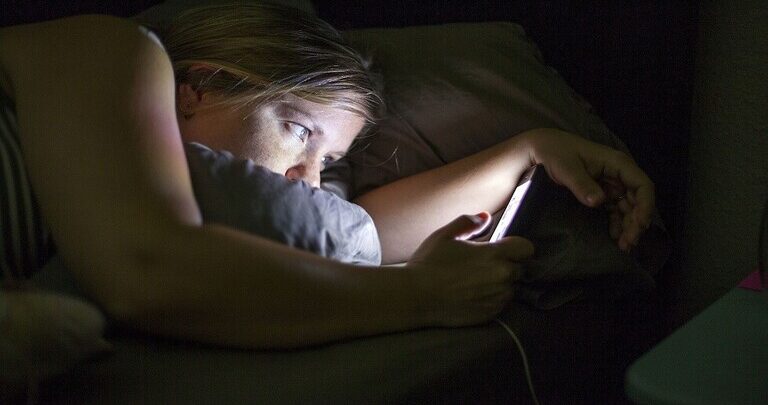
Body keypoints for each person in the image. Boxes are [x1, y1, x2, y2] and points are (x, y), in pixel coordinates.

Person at [0, 3, 653, 357]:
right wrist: (422, 296)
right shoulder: (111, 50)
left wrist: (527, 152)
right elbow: (147, 266)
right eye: (299, 130)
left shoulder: (174, 189)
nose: (307, 181)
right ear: (200, 87)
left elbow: (355, 234)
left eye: (329, 163)